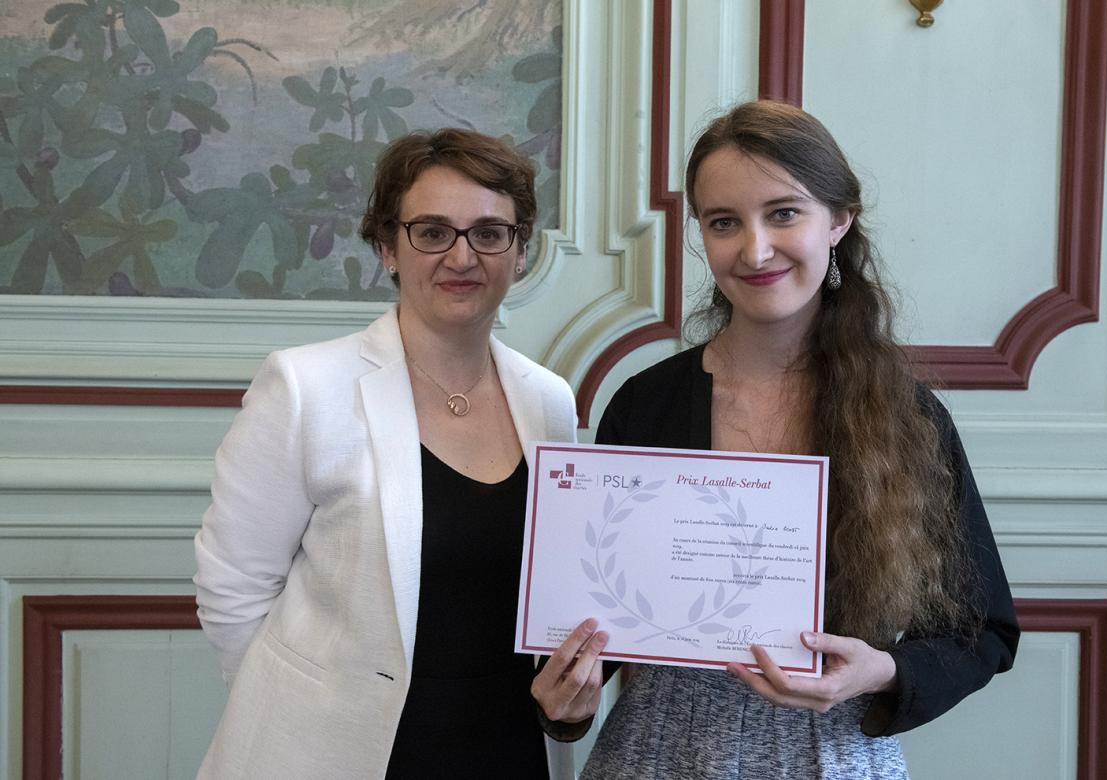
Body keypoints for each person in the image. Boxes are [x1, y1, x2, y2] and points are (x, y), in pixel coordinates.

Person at [576, 101, 1020, 779]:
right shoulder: (645, 405)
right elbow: (595, 624)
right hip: (657, 751)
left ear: (839, 220)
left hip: (833, 752)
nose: (753, 249)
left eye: (784, 213)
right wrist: (567, 701)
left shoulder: (908, 418)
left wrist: (883, 670)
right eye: (724, 222)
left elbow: (981, 631)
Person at [193, 128, 598, 779]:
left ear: (520, 251)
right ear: (388, 247)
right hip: (344, 756)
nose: (462, 257)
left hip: (506, 749)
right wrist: (302, 727)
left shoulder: (548, 401)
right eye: (432, 232)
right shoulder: (305, 387)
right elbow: (232, 590)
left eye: (490, 233)